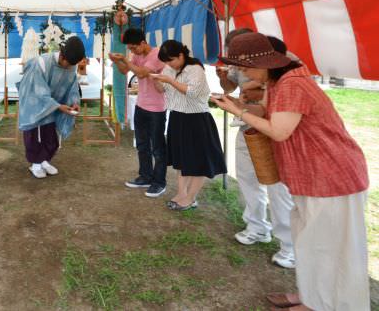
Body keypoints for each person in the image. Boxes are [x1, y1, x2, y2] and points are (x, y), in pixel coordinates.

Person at [213, 32, 369, 311]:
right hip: (312, 176)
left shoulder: (292, 85)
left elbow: (279, 131)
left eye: (246, 68)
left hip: (331, 176)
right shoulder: (278, 83)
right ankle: (313, 297)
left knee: (332, 248)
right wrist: (240, 105)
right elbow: (266, 114)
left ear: (267, 63)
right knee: (310, 243)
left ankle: (330, 304)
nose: (243, 74)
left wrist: (239, 113)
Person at [217, 29, 295, 269]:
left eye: (244, 65)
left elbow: (280, 122)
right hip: (248, 128)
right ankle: (257, 227)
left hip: (275, 133)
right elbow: (233, 88)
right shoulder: (242, 63)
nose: (242, 70)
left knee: (277, 188)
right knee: (247, 179)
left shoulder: (288, 67)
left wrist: (248, 101)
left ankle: (291, 246)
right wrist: (236, 101)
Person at [151, 40, 225, 210]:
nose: (169, 65)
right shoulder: (169, 69)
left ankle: (191, 197)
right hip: (177, 117)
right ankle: (181, 193)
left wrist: (169, 81)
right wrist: (155, 80)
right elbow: (162, 90)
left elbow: (191, 92)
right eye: (166, 62)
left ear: (181, 55)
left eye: (171, 60)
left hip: (196, 119)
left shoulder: (196, 69)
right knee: (180, 158)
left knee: (198, 160)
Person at [109, 28, 168, 198]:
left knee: (157, 147)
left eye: (134, 48)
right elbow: (124, 71)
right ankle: (145, 176)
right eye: (130, 49)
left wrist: (125, 61)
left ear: (143, 43)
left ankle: (159, 182)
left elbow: (141, 73)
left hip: (157, 108)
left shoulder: (157, 54)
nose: (133, 52)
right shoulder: (138, 55)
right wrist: (117, 61)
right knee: (142, 145)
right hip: (141, 105)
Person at [17, 36, 85, 178]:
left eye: (72, 65)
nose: (68, 67)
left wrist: (74, 102)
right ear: (61, 54)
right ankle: (35, 164)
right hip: (34, 105)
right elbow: (37, 91)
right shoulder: (41, 63)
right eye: (66, 63)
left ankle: (44, 161)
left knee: (50, 137)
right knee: (35, 135)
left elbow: (72, 87)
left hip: (53, 105)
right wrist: (57, 105)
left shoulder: (72, 65)